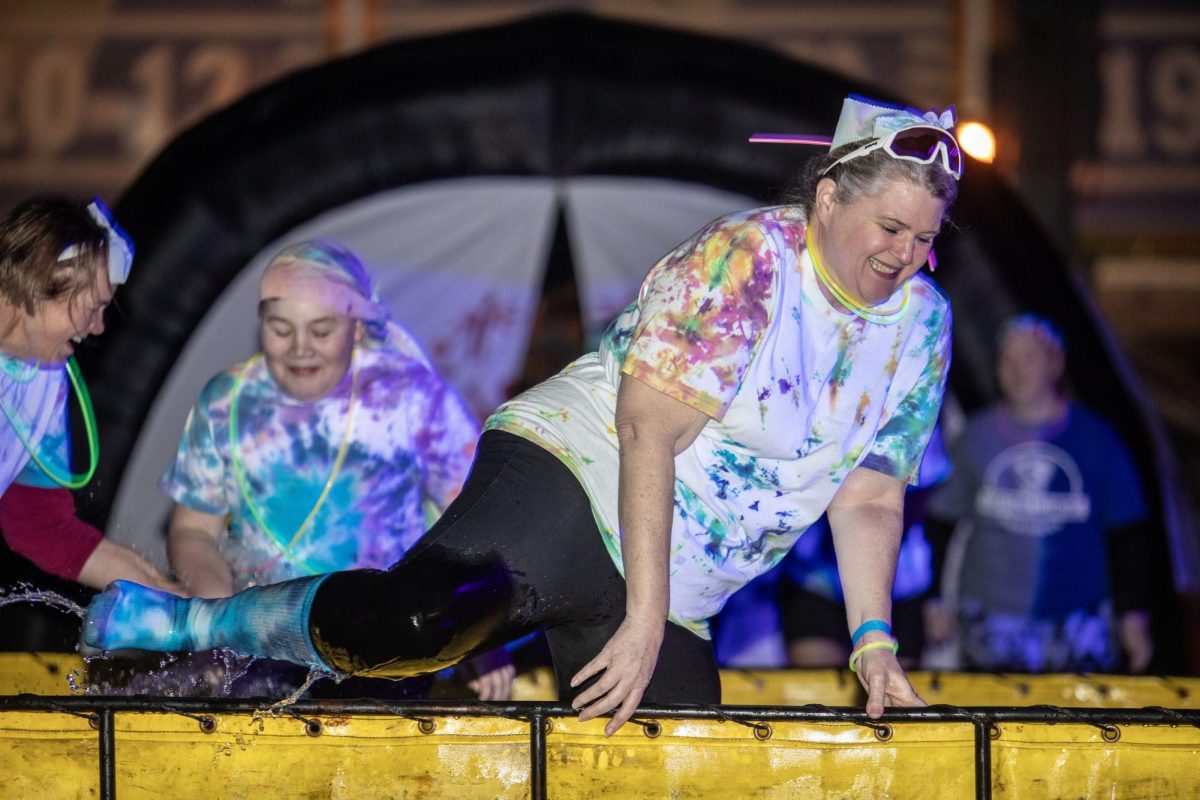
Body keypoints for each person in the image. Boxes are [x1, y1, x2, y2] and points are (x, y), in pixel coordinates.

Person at [85, 93, 961, 733]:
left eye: (926, 238)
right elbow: (648, 428)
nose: (906, 255)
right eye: (889, 227)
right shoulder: (751, 260)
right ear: (829, 199)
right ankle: (193, 621)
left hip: (672, 578)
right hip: (577, 481)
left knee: (680, 767)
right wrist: (643, 621)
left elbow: (871, 498)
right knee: (416, 627)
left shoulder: (924, 325)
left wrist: (873, 644)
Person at [158, 239, 513, 700]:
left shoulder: (413, 399)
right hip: (262, 649)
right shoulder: (227, 400)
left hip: (389, 651)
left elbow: (474, 520)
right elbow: (193, 531)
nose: (299, 349)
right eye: (280, 329)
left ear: (357, 328)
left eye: (321, 330)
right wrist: (214, 622)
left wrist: (477, 638)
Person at [924, 314, 1154, 673]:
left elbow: (1129, 534)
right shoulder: (974, 437)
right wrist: (933, 600)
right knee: (996, 727)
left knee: (1077, 729)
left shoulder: (1096, 439)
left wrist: (1134, 616)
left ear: (1055, 363)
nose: (1017, 370)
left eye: (1029, 358)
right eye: (1007, 359)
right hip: (991, 620)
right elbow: (938, 524)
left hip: (1078, 621)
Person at [0, 196, 179, 594]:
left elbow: (42, 528)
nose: (98, 327)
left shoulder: (45, 384)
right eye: (93, 307)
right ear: (43, 283)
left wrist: (181, 607)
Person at [777, 427, 951, 669]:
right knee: (816, 691)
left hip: (900, 583)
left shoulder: (912, 404)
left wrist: (936, 597)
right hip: (816, 577)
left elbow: (935, 513)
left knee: (888, 694)